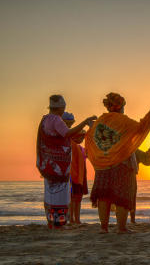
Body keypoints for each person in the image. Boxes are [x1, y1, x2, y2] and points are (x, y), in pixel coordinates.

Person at [85, 92, 150, 234]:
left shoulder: (100, 121)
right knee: (122, 196)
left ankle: (104, 228)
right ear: (120, 106)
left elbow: (90, 136)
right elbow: (141, 128)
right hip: (122, 164)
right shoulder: (123, 121)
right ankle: (121, 228)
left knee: (104, 196)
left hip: (103, 166)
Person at [36, 95, 96, 229]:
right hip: (59, 165)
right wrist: (85, 122)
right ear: (61, 108)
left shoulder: (45, 119)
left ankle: (51, 222)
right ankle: (60, 223)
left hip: (48, 164)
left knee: (50, 193)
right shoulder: (56, 119)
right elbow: (67, 134)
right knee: (61, 195)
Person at [62, 112, 89, 226]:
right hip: (75, 176)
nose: (82, 139)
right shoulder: (72, 145)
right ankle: (73, 219)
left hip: (80, 176)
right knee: (74, 199)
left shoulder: (80, 148)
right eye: (81, 137)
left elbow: (87, 155)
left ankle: (76, 219)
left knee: (77, 199)